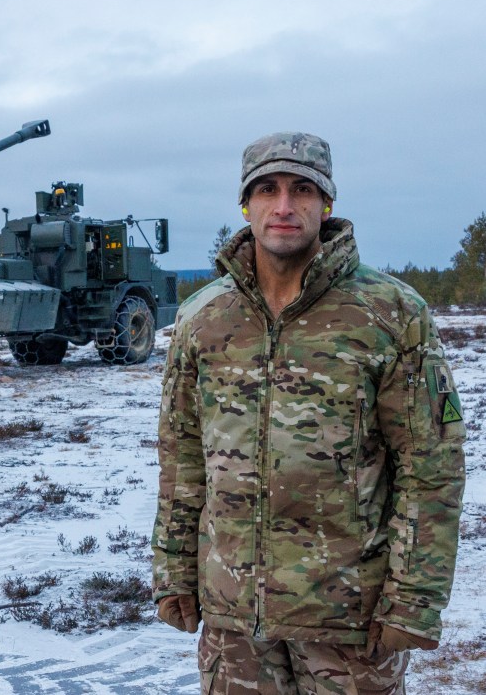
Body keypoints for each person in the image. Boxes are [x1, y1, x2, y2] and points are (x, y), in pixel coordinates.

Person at [152, 131, 466, 694]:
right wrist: (173, 570)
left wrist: (413, 599)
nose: (284, 207)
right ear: (245, 205)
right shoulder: (204, 316)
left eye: (303, 190)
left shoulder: (391, 314)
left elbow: (431, 466)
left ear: (327, 203)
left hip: (350, 618)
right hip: (234, 621)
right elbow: (183, 457)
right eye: (266, 190)